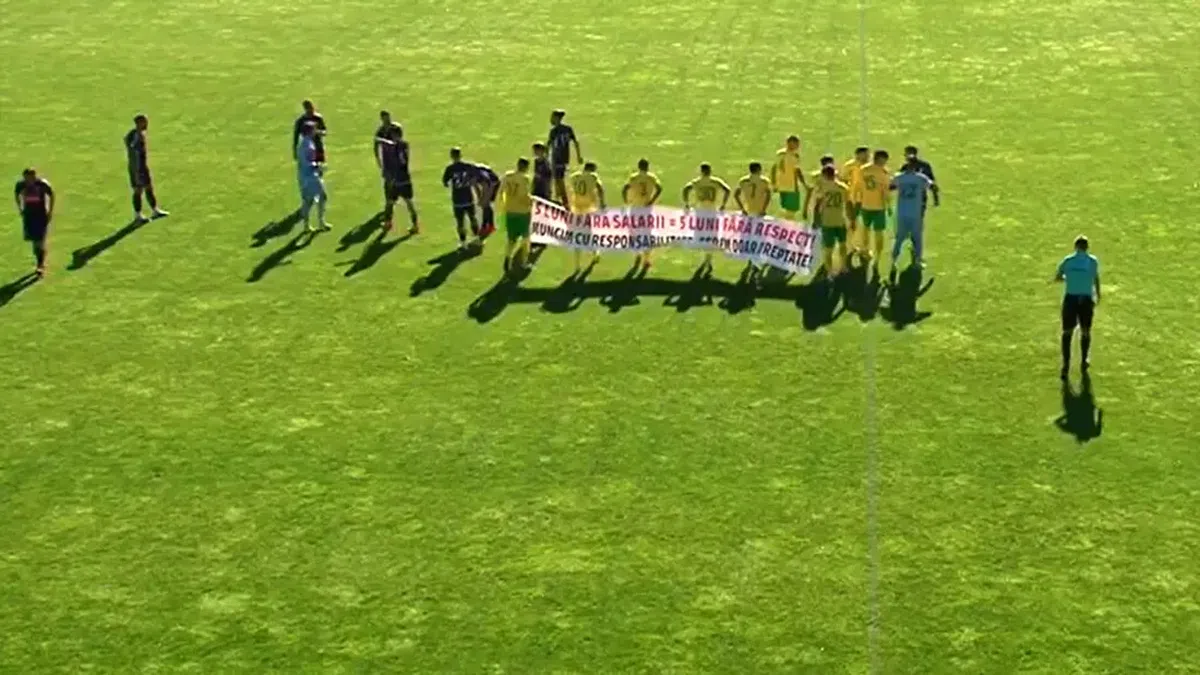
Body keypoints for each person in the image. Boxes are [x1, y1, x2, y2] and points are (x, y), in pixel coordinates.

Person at [1054, 235, 1101, 379]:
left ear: (1075, 247)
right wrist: (1098, 294)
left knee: (1067, 332)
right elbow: (1095, 278)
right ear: (1087, 247)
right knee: (1085, 331)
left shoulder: (1068, 261)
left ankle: (1066, 363)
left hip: (1071, 299)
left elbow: (1058, 277)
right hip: (1086, 299)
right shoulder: (1092, 261)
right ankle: (1084, 360)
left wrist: (1069, 278)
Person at [373, 110, 418, 235]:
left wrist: (379, 140)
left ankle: (388, 223)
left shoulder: (394, 146)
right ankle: (415, 225)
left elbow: (385, 143)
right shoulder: (405, 145)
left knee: (390, 202)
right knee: (408, 203)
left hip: (396, 178)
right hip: (405, 178)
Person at [889, 161, 938, 272]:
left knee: (899, 239)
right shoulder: (921, 178)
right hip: (915, 213)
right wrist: (935, 200)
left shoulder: (899, 177)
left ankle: (893, 261)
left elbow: (889, 186)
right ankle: (917, 261)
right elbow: (933, 186)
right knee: (917, 238)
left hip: (902, 213)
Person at [683, 163, 731, 270]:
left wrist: (686, 203)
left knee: (700, 234)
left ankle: (706, 258)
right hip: (712, 210)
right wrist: (723, 204)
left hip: (700, 211)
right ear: (710, 171)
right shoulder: (715, 181)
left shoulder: (697, 182)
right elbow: (727, 189)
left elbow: (686, 189)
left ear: (701, 171)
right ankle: (708, 258)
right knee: (712, 234)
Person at [124, 114, 168, 223]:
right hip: (136, 168)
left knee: (149, 187)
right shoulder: (133, 135)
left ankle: (155, 210)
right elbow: (132, 148)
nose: (146, 124)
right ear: (139, 123)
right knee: (138, 190)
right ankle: (138, 215)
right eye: (144, 122)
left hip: (143, 166)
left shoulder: (140, 134)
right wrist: (137, 169)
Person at [811, 165, 854, 276]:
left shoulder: (822, 188)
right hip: (840, 220)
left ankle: (829, 271)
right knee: (843, 245)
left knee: (828, 249)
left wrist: (816, 220)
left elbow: (817, 206)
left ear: (824, 175)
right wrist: (852, 219)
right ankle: (843, 266)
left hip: (827, 221)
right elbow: (849, 205)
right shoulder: (843, 187)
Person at [622, 158, 663, 269]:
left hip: (635, 207)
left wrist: (626, 200)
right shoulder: (652, 177)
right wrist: (652, 200)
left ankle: (637, 254)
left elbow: (625, 188)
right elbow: (659, 188)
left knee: (634, 232)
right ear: (647, 166)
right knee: (647, 233)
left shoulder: (634, 177)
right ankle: (646, 259)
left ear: (639, 166)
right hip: (646, 208)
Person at [13, 168, 54, 278]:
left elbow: (51, 195)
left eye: (30, 178)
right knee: (34, 244)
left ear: (34, 176)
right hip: (29, 216)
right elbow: (16, 195)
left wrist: (50, 211)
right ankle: (40, 261)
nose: (28, 180)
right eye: (26, 178)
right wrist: (20, 208)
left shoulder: (42, 184)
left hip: (41, 216)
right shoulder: (21, 185)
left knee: (39, 242)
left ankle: (40, 266)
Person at [857, 150, 893, 267]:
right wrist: (889, 206)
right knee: (879, 233)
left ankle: (865, 250)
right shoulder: (883, 173)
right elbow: (885, 192)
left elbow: (860, 186)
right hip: (878, 207)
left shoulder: (863, 169)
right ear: (881, 160)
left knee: (865, 229)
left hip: (865, 204)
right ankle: (877, 256)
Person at [498, 158, 534, 274]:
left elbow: (501, 192)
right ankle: (524, 263)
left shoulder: (507, 176)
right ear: (526, 167)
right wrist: (532, 202)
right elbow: (524, 196)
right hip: (522, 212)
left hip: (510, 211)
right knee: (526, 239)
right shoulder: (525, 179)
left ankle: (507, 258)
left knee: (511, 239)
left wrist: (505, 204)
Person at [567, 161, 604, 273]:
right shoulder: (592, 176)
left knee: (577, 234)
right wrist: (602, 203)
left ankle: (577, 265)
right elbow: (600, 188)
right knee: (589, 233)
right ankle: (595, 254)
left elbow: (570, 190)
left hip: (576, 208)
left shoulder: (574, 176)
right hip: (588, 208)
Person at [295, 122, 331, 233]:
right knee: (322, 197)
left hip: (305, 176)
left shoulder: (306, 143)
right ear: (310, 131)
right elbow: (306, 162)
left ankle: (307, 226)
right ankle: (321, 223)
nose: (316, 131)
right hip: (310, 176)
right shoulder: (307, 145)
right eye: (315, 129)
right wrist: (318, 166)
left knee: (308, 201)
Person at [441, 147, 480, 250]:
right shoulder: (468, 166)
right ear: (460, 155)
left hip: (457, 199)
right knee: (473, 218)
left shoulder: (450, 169)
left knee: (460, 222)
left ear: (452, 156)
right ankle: (477, 238)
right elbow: (476, 177)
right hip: (468, 197)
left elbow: (445, 182)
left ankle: (463, 242)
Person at [547, 109, 583, 206]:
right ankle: (559, 200)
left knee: (558, 179)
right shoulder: (568, 129)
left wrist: (546, 158)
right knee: (558, 178)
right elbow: (576, 142)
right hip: (565, 158)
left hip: (557, 158)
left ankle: (564, 202)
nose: (551, 119)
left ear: (557, 118)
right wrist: (579, 156)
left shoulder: (553, 131)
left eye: (552, 117)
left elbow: (548, 145)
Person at [840, 146, 870, 260]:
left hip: (866, 199)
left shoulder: (869, 167)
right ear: (858, 154)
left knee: (865, 225)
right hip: (852, 199)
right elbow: (842, 180)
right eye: (866, 155)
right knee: (852, 223)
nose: (867, 157)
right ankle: (850, 246)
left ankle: (863, 248)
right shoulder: (850, 166)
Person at [771, 135, 807, 220]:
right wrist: (774, 183)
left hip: (787, 186)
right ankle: (787, 227)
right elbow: (775, 168)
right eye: (796, 143)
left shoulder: (789, 155)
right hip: (788, 186)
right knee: (790, 210)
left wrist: (774, 183)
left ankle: (785, 226)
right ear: (790, 143)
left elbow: (796, 171)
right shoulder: (787, 155)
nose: (798, 146)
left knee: (787, 209)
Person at [903, 145, 937, 214]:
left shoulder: (906, 167)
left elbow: (932, 183)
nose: (904, 155)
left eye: (906, 154)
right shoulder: (924, 165)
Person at [803, 154, 836, 222]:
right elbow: (810, 191)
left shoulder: (836, 175)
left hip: (833, 204)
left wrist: (805, 209)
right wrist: (805, 209)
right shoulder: (816, 176)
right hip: (820, 203)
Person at [473, 163, 501, 239]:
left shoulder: (479, 175)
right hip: (488, 183)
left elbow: (489, 185)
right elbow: (475, 186)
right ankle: (488, 226)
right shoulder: (471, 175)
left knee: (486, 204)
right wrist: (479, 198)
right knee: (484, 205)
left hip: (493, 184)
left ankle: (486, 226)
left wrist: (484, 199)